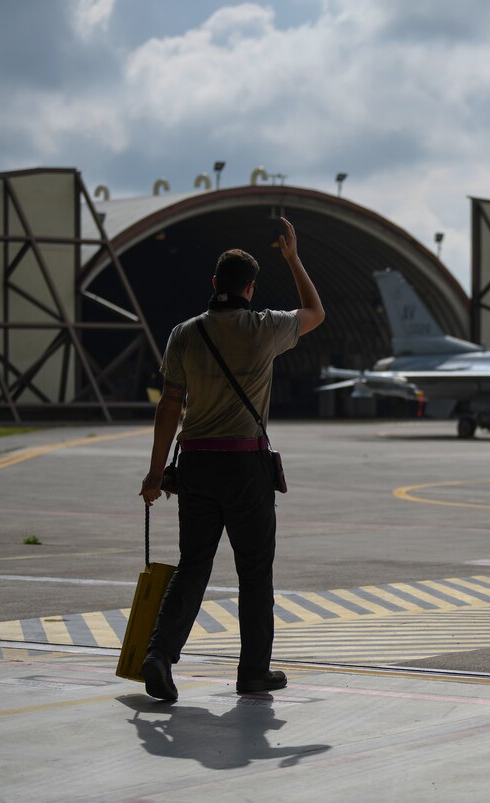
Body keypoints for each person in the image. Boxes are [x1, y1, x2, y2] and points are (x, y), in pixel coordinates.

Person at [138, 217, 324, 701]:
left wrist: (156, 474)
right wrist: (293, 256)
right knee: (254, 573)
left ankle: (159, 655)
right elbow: (314, 311)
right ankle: (253, 671)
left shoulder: (184, 334)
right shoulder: (266, 328)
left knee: (192, 566)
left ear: (215, 284)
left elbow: (168, 408)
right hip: (246, 469)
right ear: (251, 288)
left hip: (195, 466)